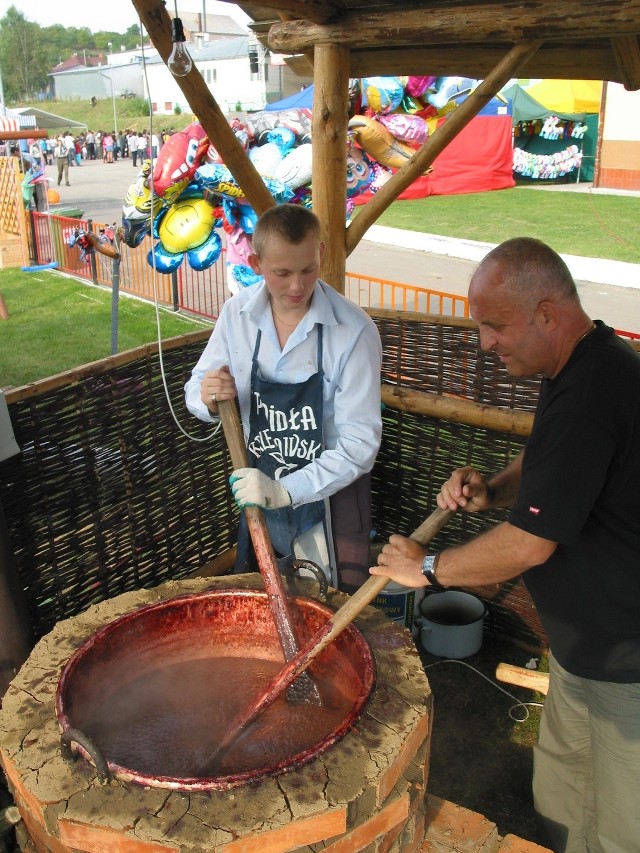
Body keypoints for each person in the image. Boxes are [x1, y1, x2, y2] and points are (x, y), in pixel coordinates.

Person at [371, 237, 640, 853]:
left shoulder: (597, 387)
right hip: (580, 645)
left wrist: (428, 568)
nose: (485, 342)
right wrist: (494, 488)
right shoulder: (578, 365)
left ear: (547, 313)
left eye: (494, 326)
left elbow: (532, 544)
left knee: (624, 820)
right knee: (563, 790)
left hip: (626, 655)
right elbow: (549, 457)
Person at [185, 203, 382, 592]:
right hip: (259, 482)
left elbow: (360, 444)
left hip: (331, 497)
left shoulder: (354, 332)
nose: (297, 286)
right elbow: (196, 387)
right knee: (262, 602)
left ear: (321, 253)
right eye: (282, 273)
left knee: (329, 607)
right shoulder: (236, 315)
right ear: (256, 263)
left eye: (308, 269)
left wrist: (289, 490)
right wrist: (208, 396)